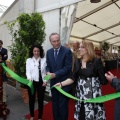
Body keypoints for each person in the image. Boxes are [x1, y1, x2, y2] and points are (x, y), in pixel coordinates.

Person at [55, 40, 108, 120]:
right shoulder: (77, 62)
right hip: (80, 95)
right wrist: (61, 84)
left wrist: (106, 76)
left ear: (88, 49)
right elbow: (72, 78)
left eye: (82, 47)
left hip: (92, 97)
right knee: (81, 116)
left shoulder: (96, 61)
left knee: (92, 116)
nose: (79, 49)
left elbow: (103, 81)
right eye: (79, 47)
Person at [46, 33, 72, 120]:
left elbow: (68, 68)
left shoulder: (67, 51)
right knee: (55, 104)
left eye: (58, 41)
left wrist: (55, 74)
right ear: (50, 42)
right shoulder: (48, 52)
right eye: (54, 41)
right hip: (53, 83)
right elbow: (48, 65)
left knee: (63, 106)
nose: (57, 43)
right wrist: (47, 72)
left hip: (64, 83)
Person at [26, 44, 47, 120]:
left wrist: (45, 81)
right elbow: (28, 72)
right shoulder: (29, 60)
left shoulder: (44, 60)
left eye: (38, 51)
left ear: (40, 51)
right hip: (32, 83)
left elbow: (45, 72)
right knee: (31, 100)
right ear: (32, 51)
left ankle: (40, 117)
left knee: (40, 101)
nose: (36, 52)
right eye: (35, 51)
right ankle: (32, 115)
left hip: (41, 83)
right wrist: (29, 78)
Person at [0, 40, 8, 105]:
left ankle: (4, 101)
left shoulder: (5, 50)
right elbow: (4, 56)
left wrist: (2, 59)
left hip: (3, 67)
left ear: (2, 44)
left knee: (4, 85)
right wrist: (3, 57)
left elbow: (6, 57)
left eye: (0, 44)